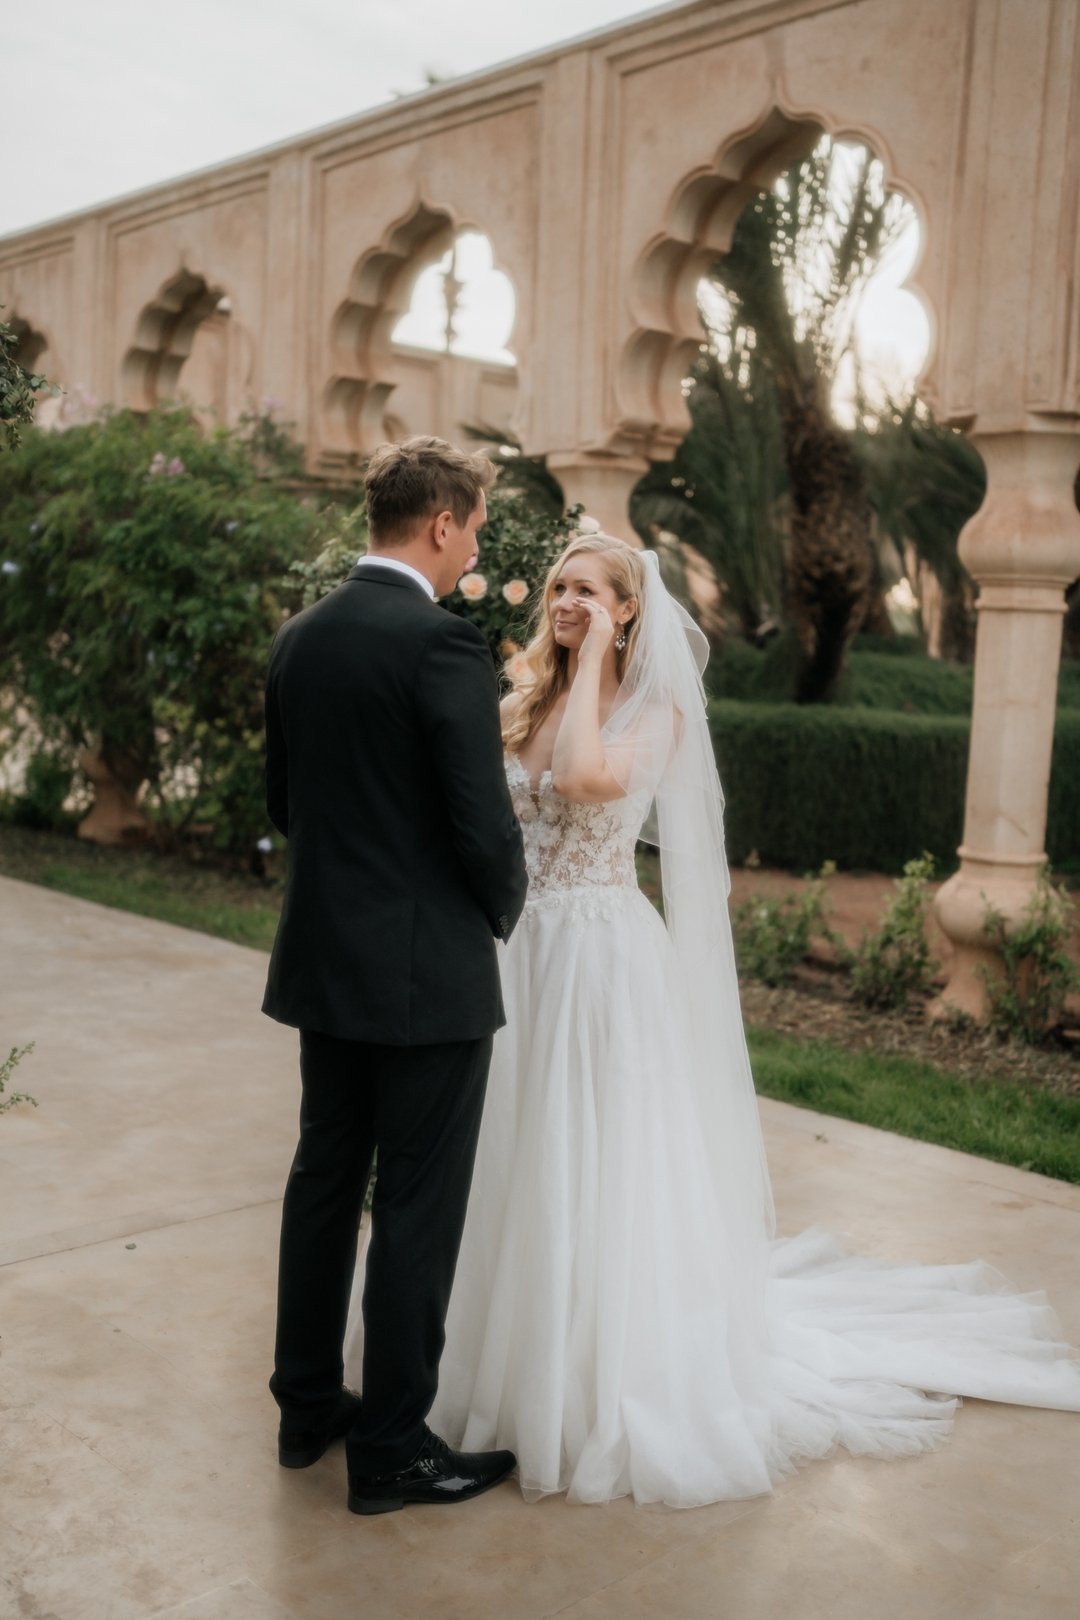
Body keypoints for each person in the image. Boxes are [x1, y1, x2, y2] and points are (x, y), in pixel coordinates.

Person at [365, 528, 1080, 1509]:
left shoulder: (654, 713)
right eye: (561, 586)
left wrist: (592, 666)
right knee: (507, 1155)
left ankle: (589, 1382)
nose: (568, 600)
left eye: (590, 590)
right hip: (518, 955)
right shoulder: (522, 698)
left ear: (627, 610)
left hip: (603, 961)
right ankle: (471, 1369)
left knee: (591, 1160)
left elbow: (580, 782)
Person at [263, 436, 528, 1515]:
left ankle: (305, 1407)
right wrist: (505, 910)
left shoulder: (300, 638)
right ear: (441, 525)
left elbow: (286, 803)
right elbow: (482, 823)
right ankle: (393, 1449)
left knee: (326, 1181)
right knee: (416, 1203)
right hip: (426, 978)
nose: (473, 549)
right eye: (472, 530)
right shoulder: (444, 646)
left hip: (325, 962)